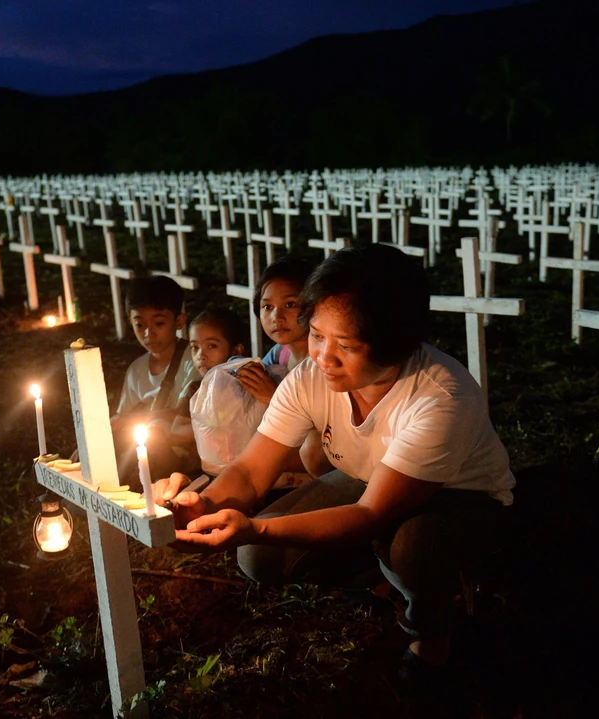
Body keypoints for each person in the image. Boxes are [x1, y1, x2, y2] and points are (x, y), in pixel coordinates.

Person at [154, 243, 515, 684]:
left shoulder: (441, 398)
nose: (323, 356)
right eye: (317, 334)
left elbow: (368, 514)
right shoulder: (310, 378)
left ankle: (431, 629)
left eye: (345, 344)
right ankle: (385, 578)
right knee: (257, 556)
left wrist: (256, 524)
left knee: (410, 546)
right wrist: (200, 504)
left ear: (396, 343)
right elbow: (250, 471)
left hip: (461, 496)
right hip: (367, 484)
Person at [232, 255, 329, 477]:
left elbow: (325, 424)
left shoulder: (324, 360)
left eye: (290, 304)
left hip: (321, 452)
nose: (277, 316)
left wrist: (273, 397)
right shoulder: (281, 353)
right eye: (267, 306)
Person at [110, 275, 199, 487]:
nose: (148, 333)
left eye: (159, 323)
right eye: (139, 324)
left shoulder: (194, 358)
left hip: (184, 455)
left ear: (179, 321)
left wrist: (125, 420)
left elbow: (182, 413)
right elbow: (124, 417)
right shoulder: (136, 370)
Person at [146, 306, 248, 468]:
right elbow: (177, 432)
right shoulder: (198, 389)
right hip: (205, 468)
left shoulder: (248, 385)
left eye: (212, 346)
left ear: (236, 350)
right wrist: (215, 426)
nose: (201, 355)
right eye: (195, 348)